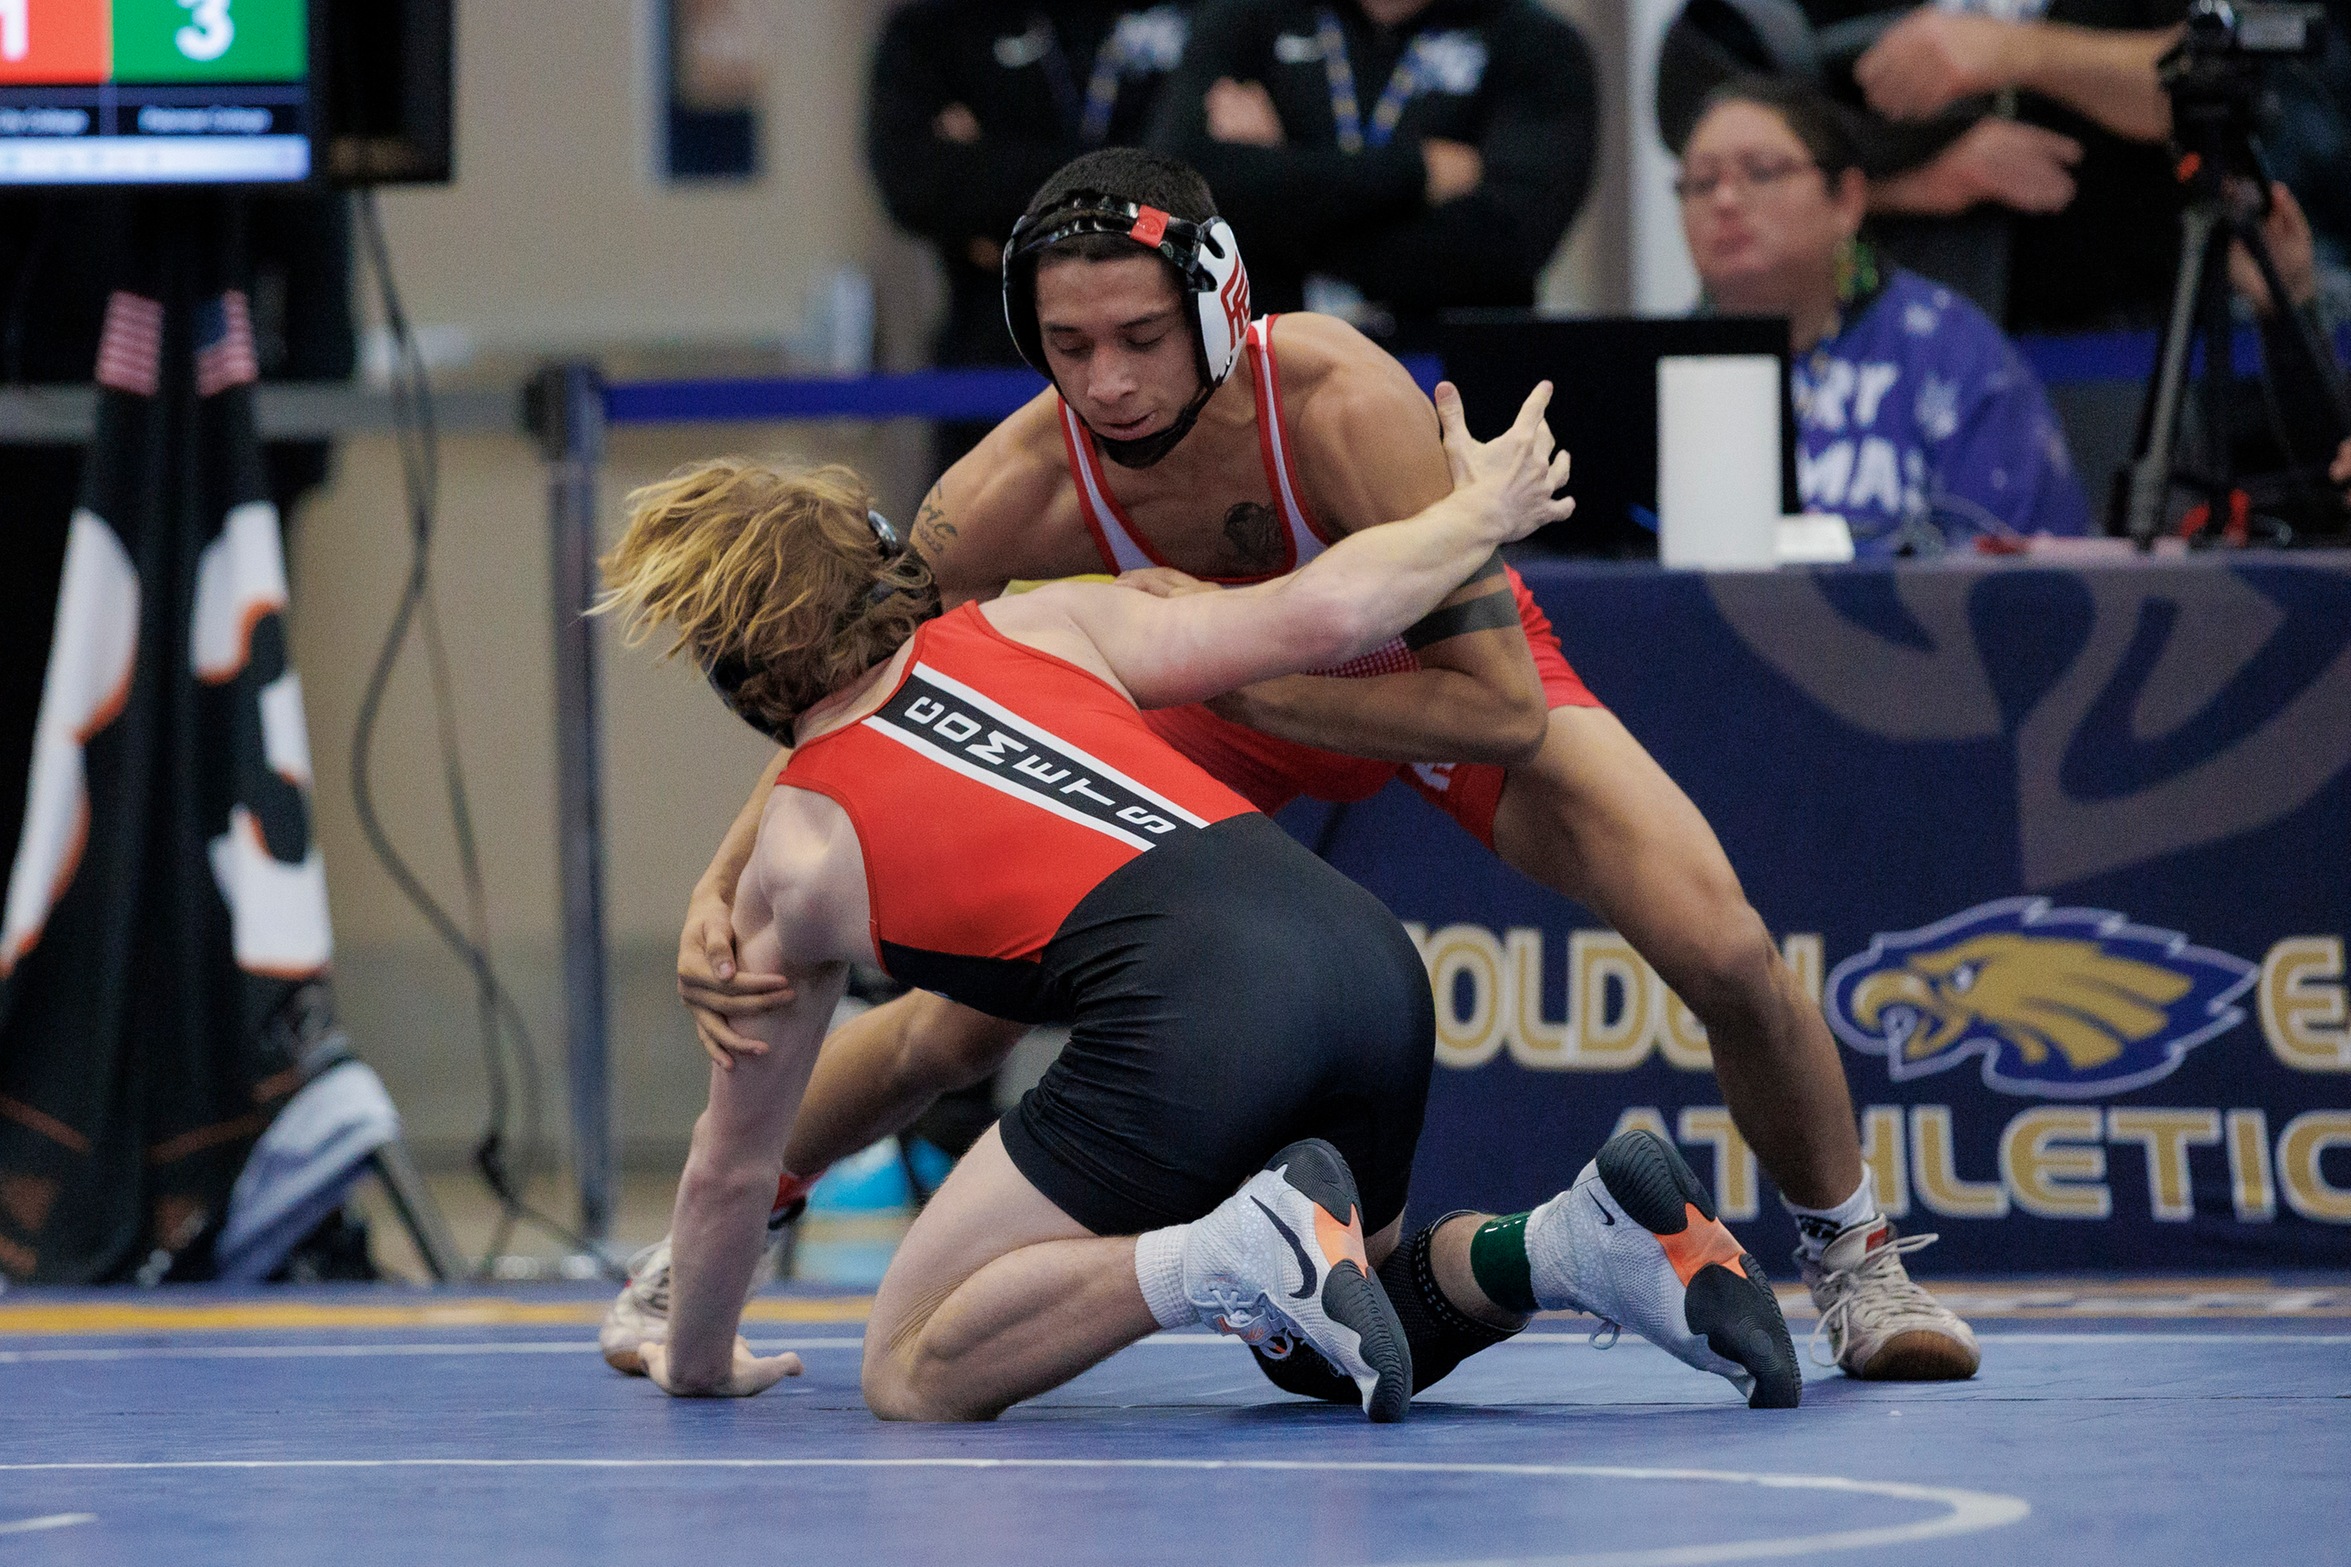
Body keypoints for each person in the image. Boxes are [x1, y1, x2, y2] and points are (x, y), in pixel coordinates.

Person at [611, 146, 1976, 1390]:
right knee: (951, 1022)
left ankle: (1855, 1259)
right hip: (1213, 675)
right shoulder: (1013, 483)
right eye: (1069, 346)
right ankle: (701, 1253)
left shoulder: (1327, 396)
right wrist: (720, 890)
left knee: (1723, 945)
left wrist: (1233, 678)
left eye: (1140, 339)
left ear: (1217, 311)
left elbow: (1499, 709)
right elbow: (856, 696)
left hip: (1412, 673)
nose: (1106, 382)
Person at [597, 393, 1800, 1419]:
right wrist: (1476, 512)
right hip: (1366, 964)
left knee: (910, 1368)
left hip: (1196, 1018)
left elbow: (728, 1173)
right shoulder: (1039, 622)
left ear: (737, 676)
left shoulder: (793, 858)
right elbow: (1324, 611)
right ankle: (1577, 1244)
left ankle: (1224, 1251)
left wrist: (694, 1359)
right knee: (1334, 1337)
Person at [1679, 79, 2089, 552]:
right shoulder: (1660, 369)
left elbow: (2029, 565)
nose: (1725, 200)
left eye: (1762, 171)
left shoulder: (1947, 348)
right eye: (1701, 182)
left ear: (1847, 200)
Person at [868, 0, 1194, 468]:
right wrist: (1131, 188)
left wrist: (1005, 209)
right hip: (990, 364)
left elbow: (1201, 179)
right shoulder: (935, 26)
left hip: (1168, 365)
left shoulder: (1203, 18)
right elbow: (915, 183)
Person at [1145, 0, 1597, 326]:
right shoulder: (1248, 20)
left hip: (1453, 374)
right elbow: (1174, 197)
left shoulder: (1536, 42)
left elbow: (1503, 247)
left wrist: (1275, 190)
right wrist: (1418, 172)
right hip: (1268, 369)